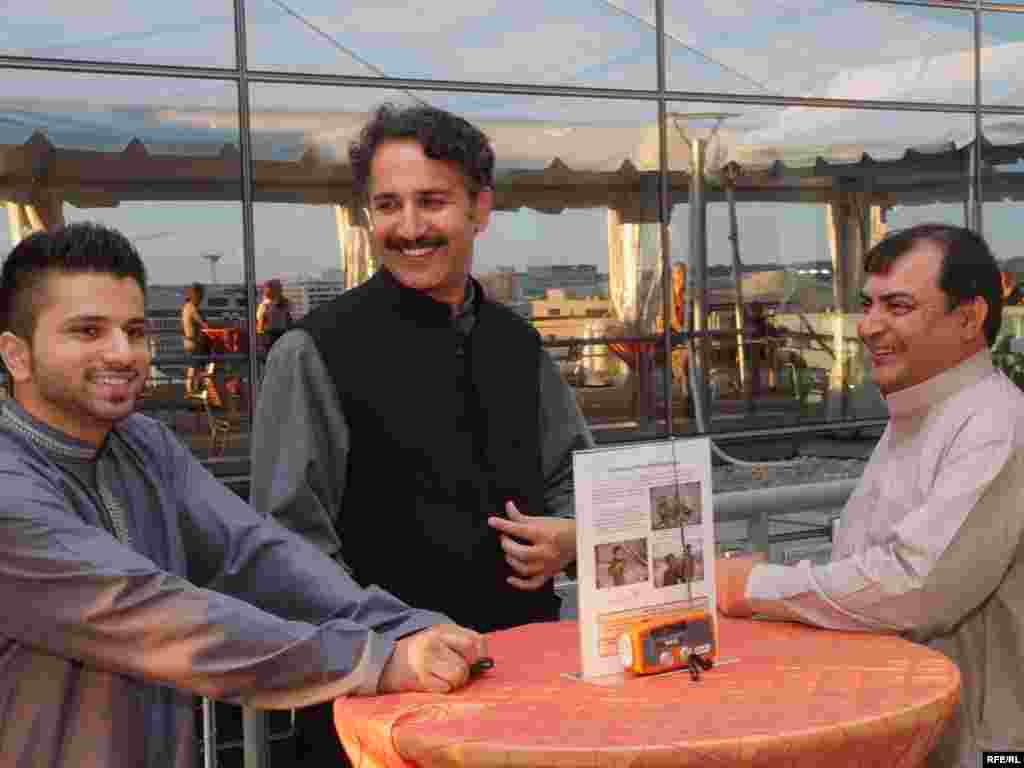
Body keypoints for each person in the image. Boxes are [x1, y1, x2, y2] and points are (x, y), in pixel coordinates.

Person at [0, 222, 488, 768]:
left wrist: (400, 624)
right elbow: (152, 613)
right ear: (17, 356)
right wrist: (373, 659)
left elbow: (252, 553)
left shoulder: (143, 444)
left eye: (134, 331)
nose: (122, 353)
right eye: (87, 331)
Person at [250, 103, 593, 759]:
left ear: (479, 209)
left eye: (431, 202)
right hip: (380, 709)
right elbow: (287, 545)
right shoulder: (313, 352)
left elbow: (576, 480)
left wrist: (573, 537)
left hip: (529, 694)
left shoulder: (517, 344)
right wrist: (393, 647)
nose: (408, 228)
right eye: (387, 205)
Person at [715, 223, 1024, 767]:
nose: (868, 326)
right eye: (869, 304)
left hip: (984, 749)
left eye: (898, 306)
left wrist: (758, 587)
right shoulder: (922, 409)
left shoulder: (995, 424)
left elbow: (916, 587)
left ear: (970, 318)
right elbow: (869, 564)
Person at [181, 281, 209, 395]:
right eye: (201, 296)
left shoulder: (186, 307)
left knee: (194, 365)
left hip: (188, 341)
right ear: (196, 295)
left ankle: (192, 388)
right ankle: (191, 389)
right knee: (195, 366)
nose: (201, 299)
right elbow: (203, 324)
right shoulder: (192, 308)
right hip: (193, 342)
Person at [255, 277, 293, 354]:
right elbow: (261, 322)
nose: (281, 289)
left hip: (278, 333)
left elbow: (288, 318)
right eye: (279, 287)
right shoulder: (266, 304)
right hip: (272, 334)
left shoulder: (282, 303)